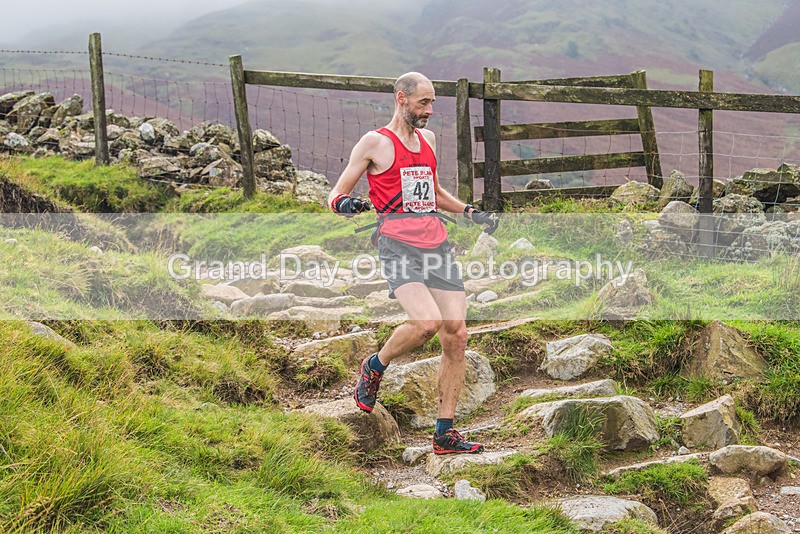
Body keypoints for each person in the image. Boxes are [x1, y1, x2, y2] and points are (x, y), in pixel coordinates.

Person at [327, 72, 498, 455]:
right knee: (426, 323)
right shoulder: (374, 143)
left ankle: (444, 433)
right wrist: (346, 205)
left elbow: (433, 191)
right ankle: (375, 365)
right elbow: (335, 194)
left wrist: (471, 212)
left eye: (433, 102)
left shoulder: (429, 141)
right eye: (423, 103)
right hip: (396, 245)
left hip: (435, 243)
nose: (430, 110)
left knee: (456, 333)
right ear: (401, 99)